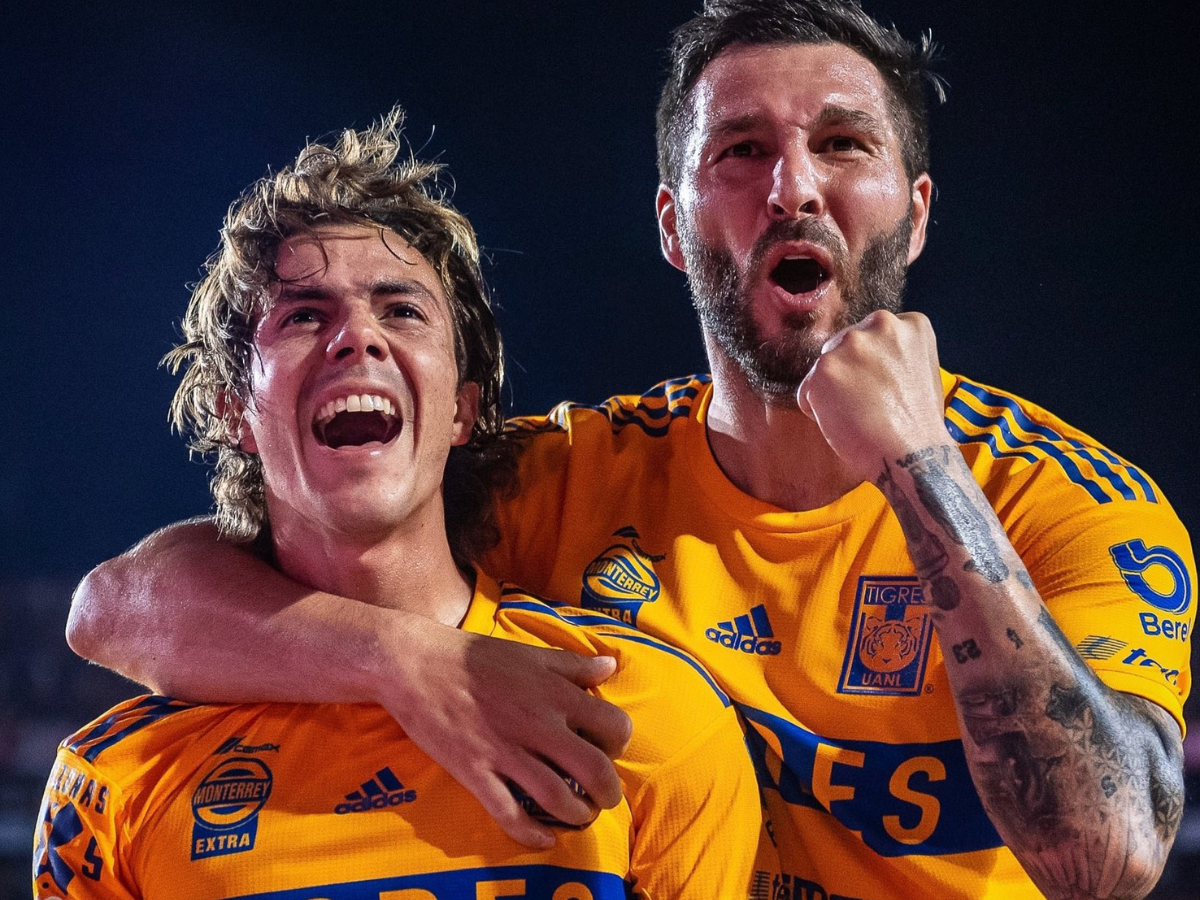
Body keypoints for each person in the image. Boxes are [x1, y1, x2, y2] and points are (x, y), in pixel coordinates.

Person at [67, 1, 1194, 898]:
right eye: (740, 151)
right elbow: (120, 607)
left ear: (917, 208)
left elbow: (1107, 858)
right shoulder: (568, 475)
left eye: (842, 145)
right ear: (672, 226)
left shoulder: (1067, 502)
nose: (792, 187)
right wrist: (402, 659)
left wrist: (920, 468)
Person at [34, 109, 766, 899]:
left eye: (402, 309)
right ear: (234, 411)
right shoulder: (115, 781)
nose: (357, 337)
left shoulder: (648, 716)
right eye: (304, 315)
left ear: (461, 410)